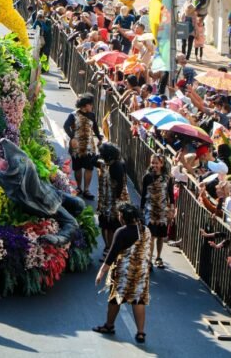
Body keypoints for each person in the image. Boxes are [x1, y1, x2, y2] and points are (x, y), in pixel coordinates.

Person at [93, 203, 151, 344]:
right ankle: (141, 333)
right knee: (138, 300)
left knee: (115, 298)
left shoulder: (121, 232)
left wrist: (101, 272)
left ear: (123, 217)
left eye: (120, 214)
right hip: (141, 271)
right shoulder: (146, 230)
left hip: (123, 271)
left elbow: (112, 254)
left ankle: (109, 325)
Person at [64, 93, 103, 200]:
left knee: (89, 167)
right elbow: (66, 126)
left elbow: (95, 128)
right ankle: (79, 187)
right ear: (85, 105)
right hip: (76, 146)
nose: (92, 107)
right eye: (91, 105)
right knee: (77, 168)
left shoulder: (92, 115)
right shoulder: (73, 115)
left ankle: (86, 189)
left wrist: (99, 138)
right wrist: (72, 137)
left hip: (89, 146)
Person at [139, 154, 174, 269]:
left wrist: (172, 209)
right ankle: (149, 259)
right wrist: (141, 209)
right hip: (150, 209)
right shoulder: (147, 177)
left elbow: (171, 195)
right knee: (152, 235)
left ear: (162, 164)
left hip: (162, 210)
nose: (154, 165)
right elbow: (143, 194)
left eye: (156, 163)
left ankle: (158, 257)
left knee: (160, 236)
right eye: (152, 163)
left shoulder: (167, 178)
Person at [97, 142, 129, 252]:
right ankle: (108, 247)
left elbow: (119, 186)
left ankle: (112, 250)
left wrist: (115, 202)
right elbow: (92, 160)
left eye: (102, 154)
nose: (100, 156)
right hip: (104, 199)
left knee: (113, 226)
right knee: (104, 224)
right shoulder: (106, 164)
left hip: (114, 202)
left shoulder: (117, 166)